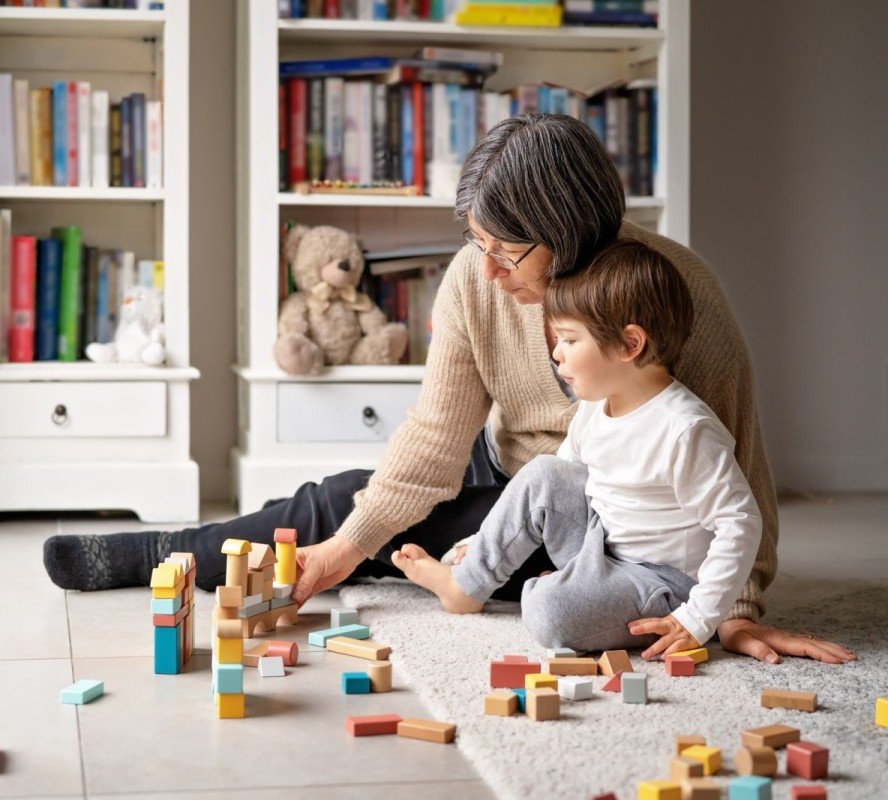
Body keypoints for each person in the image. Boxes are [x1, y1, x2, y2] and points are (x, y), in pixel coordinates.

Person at [43, 114, 855, 666]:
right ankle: (163, 552)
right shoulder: (476, 277)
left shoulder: (679, 293)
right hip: (516, 471)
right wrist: (346, 545)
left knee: (444, 551)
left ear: (570, 233)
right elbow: (436, 437)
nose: (487, 271)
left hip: (614, 523)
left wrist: (732, 612)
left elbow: (739, 475)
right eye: (477, 244)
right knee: (344, 504)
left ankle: (419, 566)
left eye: (506, 252)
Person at [393, 238, 758, 658]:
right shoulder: (595, 407)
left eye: (569, 339)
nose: (556, 353)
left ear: (630, 344)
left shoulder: (685, 430)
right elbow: (554, 485)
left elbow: (740, 523)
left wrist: (697, 618)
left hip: (662, 582)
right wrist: (479, 543)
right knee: (543, 472)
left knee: (549, 612)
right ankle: (466, 585)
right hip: (601, 546)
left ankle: (567, 591)